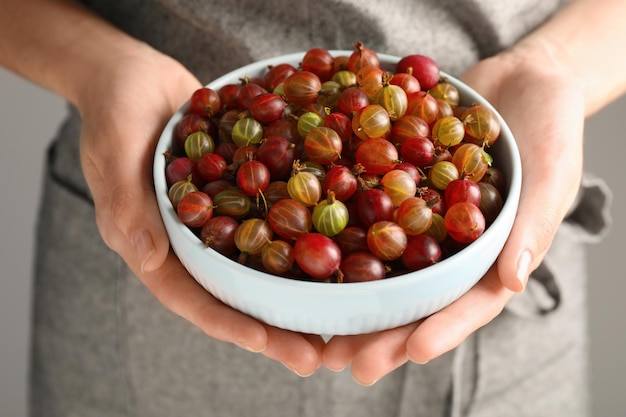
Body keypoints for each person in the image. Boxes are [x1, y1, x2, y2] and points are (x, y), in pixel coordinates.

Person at [0, 0, 621, 415]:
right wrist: (99, 64)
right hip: (137, 275)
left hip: (507, 338)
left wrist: (556, 62)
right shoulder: (274, 170)